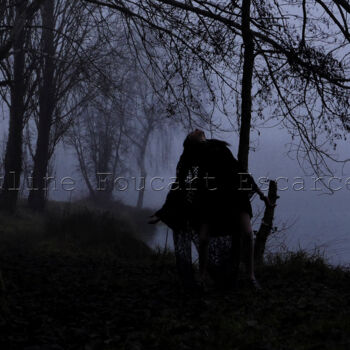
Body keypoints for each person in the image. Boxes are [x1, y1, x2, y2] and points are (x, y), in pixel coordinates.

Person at [149, 129, 271, 289]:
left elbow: (240, 172)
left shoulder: (220, 149)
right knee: (204, 239)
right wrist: (163, 212)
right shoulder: (191, 156)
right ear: (191, 141)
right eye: (192, 133)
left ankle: (250, 276)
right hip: (210, 201)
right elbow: (180, 184)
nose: (196, 131)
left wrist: (262, 195)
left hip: (234, 196)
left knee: (247, 234)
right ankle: (202, 277)